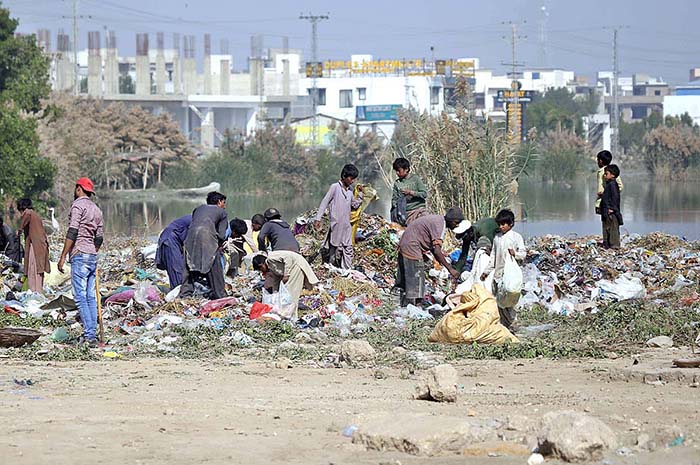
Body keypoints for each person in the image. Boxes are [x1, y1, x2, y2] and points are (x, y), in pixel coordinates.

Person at [57, 178, 104, 346]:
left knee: (80, 297)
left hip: (80, 254)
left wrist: (63, 255)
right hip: (92, 255)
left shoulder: (77, 206)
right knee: (91, 296)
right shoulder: (97, 209)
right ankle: (92, 333)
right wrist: (92, 250)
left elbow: (73, 231)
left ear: (78, 189)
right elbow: (99, 237)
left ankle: (90, 335)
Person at [396, 207, 464, 306]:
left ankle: (407, 305)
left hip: (407, 243)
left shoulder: (438, 220)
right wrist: (450, 269)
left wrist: (439, 260)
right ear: (451, 220)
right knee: (416, 279)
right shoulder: (439, 225)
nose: (456, 225)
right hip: (412, 246)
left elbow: (433, 247)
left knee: (407, 279)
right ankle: (413, 307)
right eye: (456, 222)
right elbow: (436, 250)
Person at [481, 209, 526, 330]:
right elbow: (493, 257)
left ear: (511, 224)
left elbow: (523, 254)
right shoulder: (497, 238)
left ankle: (513, 322)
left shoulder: (516, 237)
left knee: (509, 300)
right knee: (498, 300)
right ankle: (504, 326)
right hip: (498, 274)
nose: (501, 227)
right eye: (499, 225)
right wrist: (486, 271)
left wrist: (515, 253)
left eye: (503, 224)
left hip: (509, 275)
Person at [179, 192, 229, 299]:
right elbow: (221, 235)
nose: (225, 206)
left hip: (190, 237)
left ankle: (185, 293)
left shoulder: (198, 208)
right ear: (219, 202)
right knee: (213, 264)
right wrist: (218, 246)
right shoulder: (222, 212)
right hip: (206, 236)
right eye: (224, 203)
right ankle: (220, 295)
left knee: (189, 264)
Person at [314, 164, 363, 269]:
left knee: (348, 248)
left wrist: (360, 195)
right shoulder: (335, 187)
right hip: (336, 224)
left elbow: (354, 205)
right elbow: (324, 202)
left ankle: (347, 270)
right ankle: (332, 268)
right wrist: (318, 218)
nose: (353, 181)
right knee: (335, 248)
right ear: (344, 176)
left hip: (346, 225)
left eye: (354, 179)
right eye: (351, 178)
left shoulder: (349, 192)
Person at [252, 251, 319, 320]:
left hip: (295, 266)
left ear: (261, 264)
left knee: (291, 294)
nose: (262, 271)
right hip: (292, 268)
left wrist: (286, 274)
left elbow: (288, 258)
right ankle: (288, 315)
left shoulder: (271, 258)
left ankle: (292, 317)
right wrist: (274, 292)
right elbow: (276, 279)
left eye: (260, 269)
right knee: (287, 294)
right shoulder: (270, 266)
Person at [17, 198, 50, 293]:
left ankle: (35, 291)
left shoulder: (29, 213)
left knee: (33, 268)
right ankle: (36, 291)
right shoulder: (34, 215)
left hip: (36, 245)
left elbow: (26, 214)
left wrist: (19, 230)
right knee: (37, 269)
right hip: (39, 244)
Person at [155, 214, 192, 289]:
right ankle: (178, 292)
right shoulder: (198, 221)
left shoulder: (199, 219)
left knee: (182, 268)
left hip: (176, 241)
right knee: (176, 269)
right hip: (170, 240)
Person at [391, 157, 428, 225]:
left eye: (399, 171)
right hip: (406, 213)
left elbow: (424, 194)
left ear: (406, 169)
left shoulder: (415, 179)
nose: (397, 173)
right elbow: (394, 199)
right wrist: (399, 203)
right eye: (396, 171)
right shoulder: (397, 183)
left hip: (419, 210)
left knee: (425, 224)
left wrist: (411, 193)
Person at [600, 164, 623, 250]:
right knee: (607, 228)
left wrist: (612, 209)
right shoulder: (609, 184)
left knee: (613, 229)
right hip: (607, 211)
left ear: (613, 175)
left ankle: (614, 246)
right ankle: (607, 244)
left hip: (612, 212)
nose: (605, 176)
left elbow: (615, 198)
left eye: (606, 174)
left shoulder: (613, 185)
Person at [595, 150, 624, 215]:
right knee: (606, 222)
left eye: (598, 160)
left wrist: (607, 194)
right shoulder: (609, 171)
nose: (605, 175)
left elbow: (620, 186)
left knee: (609, 222)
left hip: (607, 205)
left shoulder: (609, 171)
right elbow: (620, 186)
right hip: (603, 203)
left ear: (600, 161)